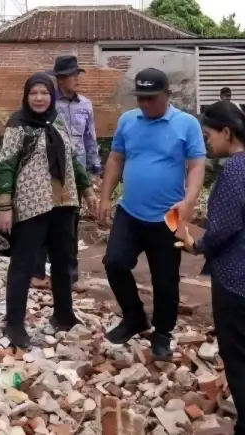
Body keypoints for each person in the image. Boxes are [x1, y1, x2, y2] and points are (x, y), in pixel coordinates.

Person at [174, 101, 245, 435]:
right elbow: (242, 218)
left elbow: (224, 228)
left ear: (227, 133)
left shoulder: (234, 169)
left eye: (208, 135)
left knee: (239, 358)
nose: (206, 142)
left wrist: (195, 243)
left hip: (238, 275)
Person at [97, 68, 206, 361]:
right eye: (141, 98)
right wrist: (105, 196)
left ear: (167, 95)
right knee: (115, 263)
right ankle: (134, 318)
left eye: (151, 98)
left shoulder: (187, 124)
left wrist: (189, 200)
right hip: (130, 211)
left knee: (166, 280)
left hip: (168, 216)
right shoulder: (127, 121)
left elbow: (196, 165)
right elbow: (116, 158)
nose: (145, 104)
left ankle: (162, 334)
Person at [0, 73, 97, 349]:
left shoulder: (57, 121)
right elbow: (5, 165)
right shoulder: (18, 125)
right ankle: (14, 324)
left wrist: (88, 191)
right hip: (32, 205)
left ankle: (63, 314)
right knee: (23, 265)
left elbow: (73, 159)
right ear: (26, 97)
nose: (39, 98)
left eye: (44, 93)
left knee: (64, 262)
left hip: (64, 202)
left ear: (52, 96)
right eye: (34, 93)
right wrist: (4, 206)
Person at [34, 55, 102, 288]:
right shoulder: (48, 104)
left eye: (77, 74)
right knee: (44, 218)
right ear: (61, 79)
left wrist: (95, 170)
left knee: (71, 224)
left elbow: (90, 138)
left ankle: (69, 275)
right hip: (51, 171)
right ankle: (39, 273)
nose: (77, 78)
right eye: (73, 75)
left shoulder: (86, 105)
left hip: (78, 173)